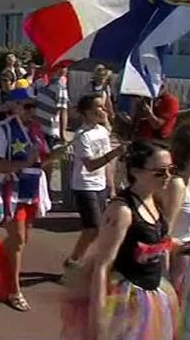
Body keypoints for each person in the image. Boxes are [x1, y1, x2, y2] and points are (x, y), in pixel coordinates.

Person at [61, 141, 179, 340]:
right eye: (159, 172)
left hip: (154, 292)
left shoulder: (156, 199)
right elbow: (102, 265)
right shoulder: (122, 210)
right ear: (136, 171)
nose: (167, 177)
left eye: (171, 170)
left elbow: (157, 244)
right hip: (127, 298)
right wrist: (97, 318)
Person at [0, 88, 59, 311]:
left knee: (21, 240)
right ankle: (13, 289)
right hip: (13, 191)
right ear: (14, 107)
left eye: (34, 106)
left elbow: (41, 161)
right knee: (18, 240)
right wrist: (25, 163)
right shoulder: (3, 130)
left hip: (32, 191)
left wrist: (55, 157)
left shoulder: (36, 130)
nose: (32, 111)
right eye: (27, 106)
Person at [62, 94, 125, 281]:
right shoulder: (82, 136)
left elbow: (107, 165)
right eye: (99, 107)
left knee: (101, 229)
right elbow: (90, 165)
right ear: (88, 112)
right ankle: (74, 262)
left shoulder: (103, 131)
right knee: (93, 228)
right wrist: (115, 152)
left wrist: (111, 186)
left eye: (104, 106)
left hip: (100, 185)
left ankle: (84, 262)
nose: (104, 110)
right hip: (84, 185)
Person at [160, 118, 190, 297]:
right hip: (175, 261)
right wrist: (164, 281)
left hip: (189, 255)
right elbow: (163, 235)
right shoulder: (177, 184)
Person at [35, 65, 70, 147]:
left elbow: (63, 111)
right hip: (37, 129)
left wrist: (63, 134)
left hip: (49, 131)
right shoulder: (41, 83)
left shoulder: (60, 88)